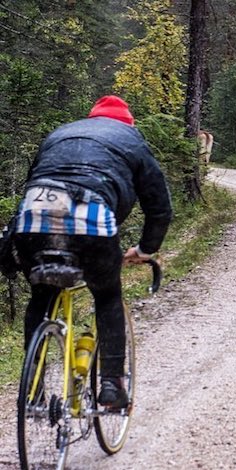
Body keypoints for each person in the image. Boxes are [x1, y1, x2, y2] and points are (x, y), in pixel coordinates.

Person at [14, 95, 173, 408]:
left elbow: (33, 179)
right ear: (129, 123)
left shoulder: (60, 132)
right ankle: (112, 384)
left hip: (34, 214)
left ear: (92, 118)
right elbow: (159, 207)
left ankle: (32, 387)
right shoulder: (132, 140)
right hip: (92, 221)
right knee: (107, 296)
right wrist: (145, 249)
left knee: (41, 297)